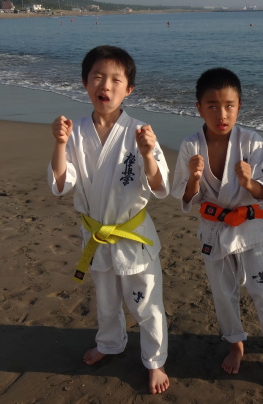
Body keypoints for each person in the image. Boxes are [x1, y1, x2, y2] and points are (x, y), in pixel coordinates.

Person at [171, 67, 263, 396]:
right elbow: (185, 197)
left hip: (250, 230)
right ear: (199, 108)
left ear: (239, 106)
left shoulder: (253, 142)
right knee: (224, 295)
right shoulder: (191, 145)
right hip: (213, 231)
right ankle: (235, 345)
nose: (221, 114)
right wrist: (194, 179)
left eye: (229, 106)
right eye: (212, 106)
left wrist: (249, 183)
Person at [48, 45, 170, 394]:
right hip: (97, 234)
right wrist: (59, 144)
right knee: (105, 300)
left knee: (146, 302)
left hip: (132, 235)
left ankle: (155, 361)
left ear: (129, 89)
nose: (106, 85)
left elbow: (159, 186)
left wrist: (147, 154)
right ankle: (110, 343)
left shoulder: (140, 132)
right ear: (85, 82)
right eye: (98, 77)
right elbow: (61, 184)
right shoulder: (74, 131)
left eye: (116, 80)